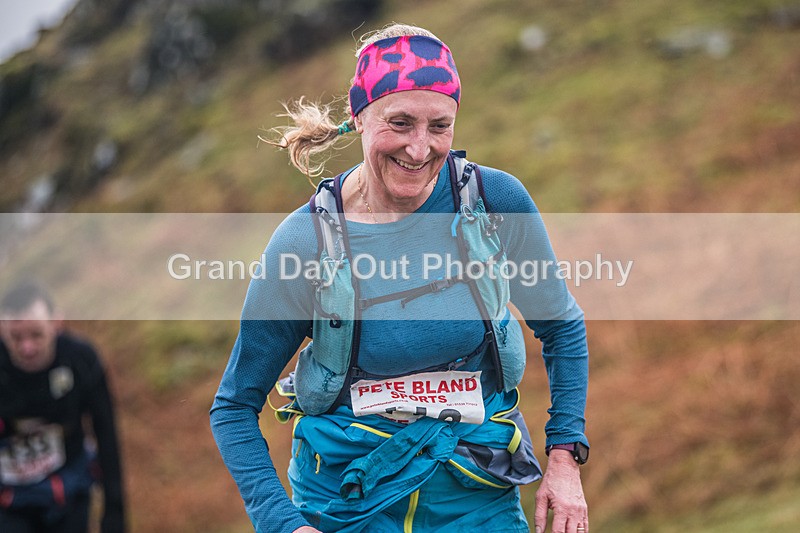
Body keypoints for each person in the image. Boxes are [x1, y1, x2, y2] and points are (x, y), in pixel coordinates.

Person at [211, 23, 590, 533]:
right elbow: (234, 407)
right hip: (347, 502)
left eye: (439, 126)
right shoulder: (305, 243)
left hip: (474, 496)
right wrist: (284, 525)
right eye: (400, 122)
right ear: (359, 117)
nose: (419, 149)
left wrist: (565, 459)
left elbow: (561, 326)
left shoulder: (495, 204)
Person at [0, 283, 126, 533]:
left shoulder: (81, 359)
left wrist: (115, 511)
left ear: (56, 324)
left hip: (70, 489)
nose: (27, 348)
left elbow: (107, 432)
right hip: (8, 501)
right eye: (15, 337)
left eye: (36, 335)